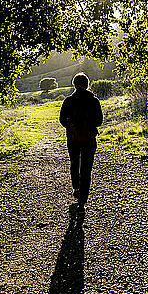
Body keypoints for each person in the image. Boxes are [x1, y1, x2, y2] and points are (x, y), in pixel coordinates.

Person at [59, 72, 103, 211]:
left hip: (73, 138)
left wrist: (71, 126)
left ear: (74, 85)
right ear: (87, 84)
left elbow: (62, 120)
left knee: (74, 163)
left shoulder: (68, 101)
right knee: (86, 167)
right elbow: (99, 121)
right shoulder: (94, 100)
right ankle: (83, 198)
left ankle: (76, 188)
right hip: (89, 138)